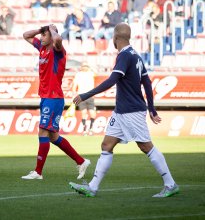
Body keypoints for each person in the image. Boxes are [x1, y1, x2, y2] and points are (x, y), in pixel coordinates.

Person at [69, 23, 179, 198]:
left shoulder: (125, 56)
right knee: (106, 145)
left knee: (145, 146)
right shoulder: (136, 55)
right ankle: (92, 187)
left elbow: (112, 80)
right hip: (121, 112)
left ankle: (170, 184)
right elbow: (147, 83)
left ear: (115, 38)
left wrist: (85, 94)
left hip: (131, 111)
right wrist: (151, 108)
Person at [21, 24, 91, 180]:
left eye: (44, 36)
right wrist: (40, 29)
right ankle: (81, 161)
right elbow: (26, 34)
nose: (41, 38)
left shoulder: (57, 51)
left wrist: (52, 31)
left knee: (43, 131)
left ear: (51, 37)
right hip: (47, 97)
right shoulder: (42, 48)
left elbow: (58, 39)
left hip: (53, 97)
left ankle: (38, 172)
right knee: (53, 136)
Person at [72, 62, 96, 136]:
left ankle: (91, 128)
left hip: (90, 96)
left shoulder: (91, 73)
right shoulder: (78, 74)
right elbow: (74, 85)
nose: (85, 67)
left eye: (86, 65)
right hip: (81, 96)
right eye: (84, 66)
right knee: (84, 113)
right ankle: (84, 130)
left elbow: (96, 72)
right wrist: (74, 94)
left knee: (92, 113)